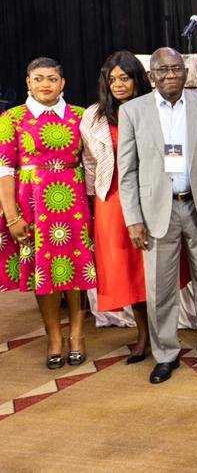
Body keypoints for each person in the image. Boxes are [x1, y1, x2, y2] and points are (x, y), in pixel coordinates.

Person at [117, 47, 197, 383]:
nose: (170, 75)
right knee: (160, 289)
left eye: (176, 68)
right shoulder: (132, 111)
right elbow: (127, 171)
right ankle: (166, 354)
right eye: (163, 70)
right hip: (156, 212)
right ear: (151, 76)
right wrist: (133, 219)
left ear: (186, 72)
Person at [0, 58, 95, 369]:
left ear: (62, 83)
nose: (45, 84)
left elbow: (94, 161)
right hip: (33, 207)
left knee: (77, 268)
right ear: (28, 82)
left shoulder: (81, 115)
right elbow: (4, 170)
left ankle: (78, 335)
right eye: (38, 78)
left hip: (75, 205)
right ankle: (54, 336)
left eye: (52, 78)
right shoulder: (12, 118)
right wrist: (12, 216)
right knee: (44, 272)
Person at [80, 51, 158, 364]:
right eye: (112, 79)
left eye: (124, 77)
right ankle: (144, 334)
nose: (118, 85)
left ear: (138, 79)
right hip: (111, 200)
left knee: (152, 267)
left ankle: (161, 331)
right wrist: (92, 202)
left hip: (151, 195)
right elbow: (89, 162)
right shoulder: (94, 116)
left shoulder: (154, 108)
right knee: (128, 270)